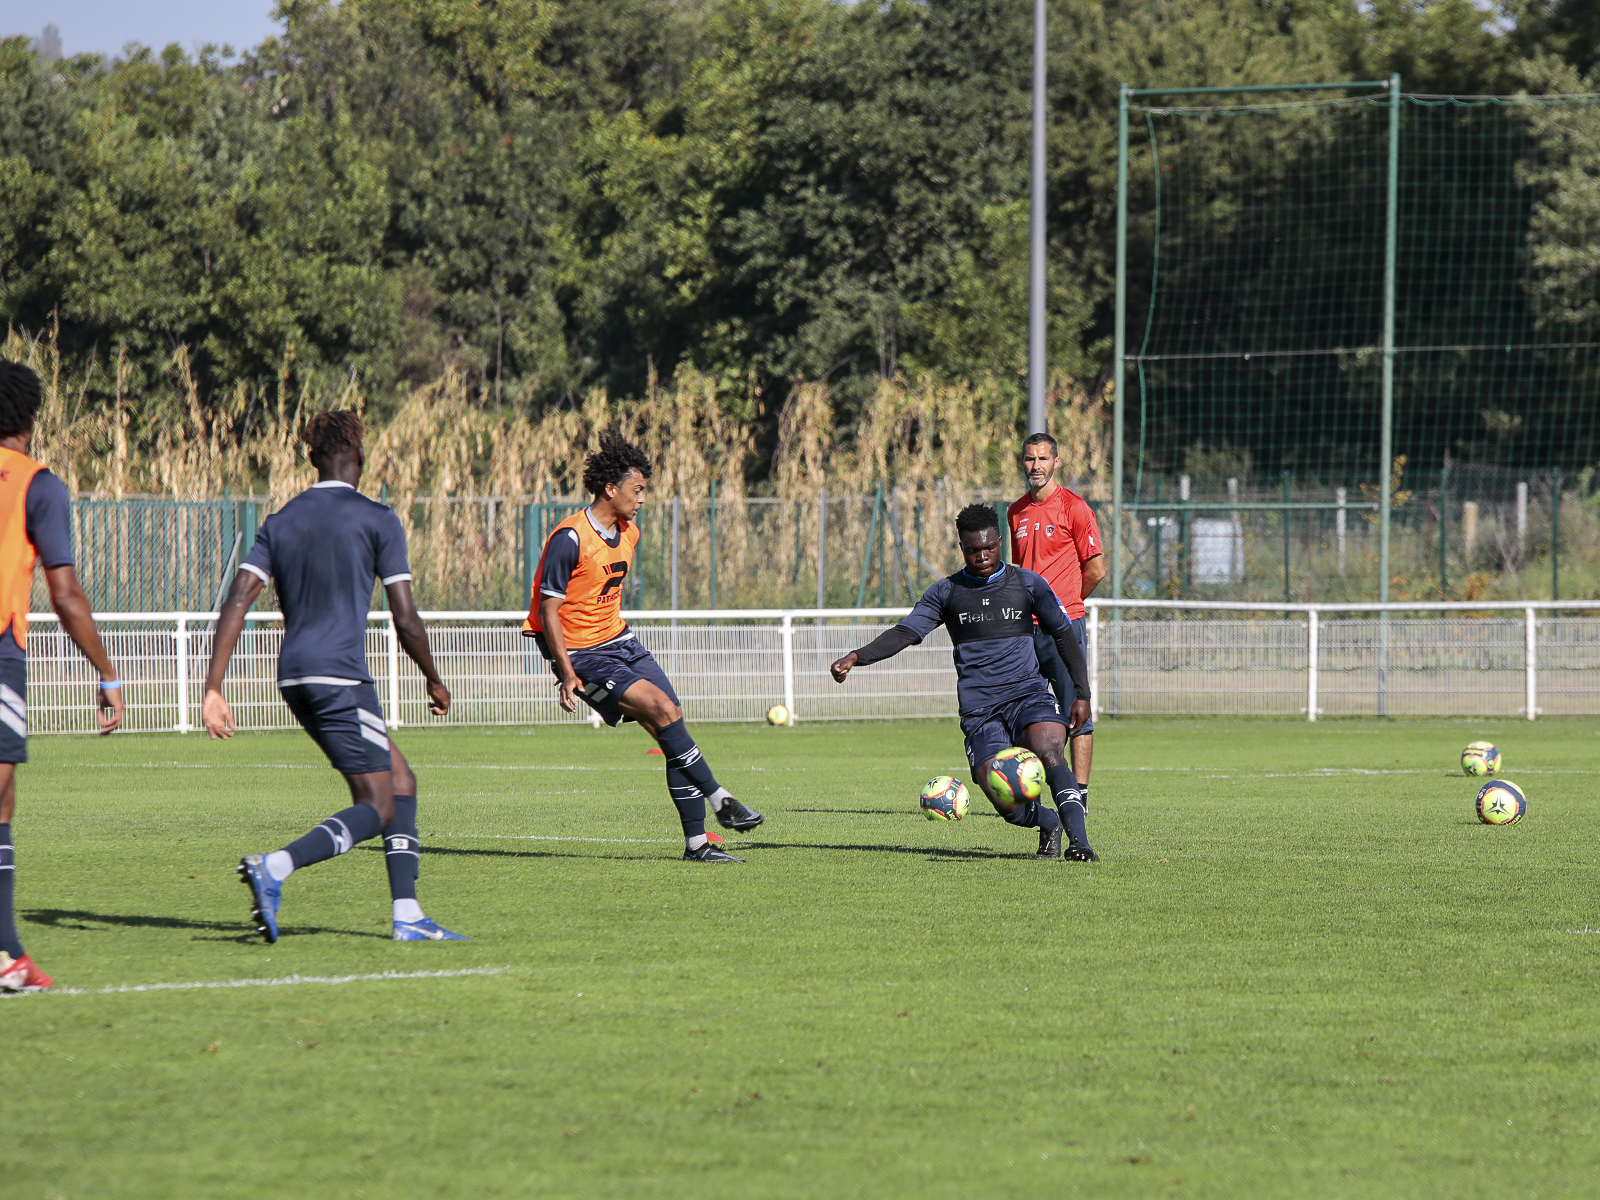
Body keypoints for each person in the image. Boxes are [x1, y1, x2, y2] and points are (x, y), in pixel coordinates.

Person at [202, 411, 465, 943]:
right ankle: (275, 867)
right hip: (342, 678)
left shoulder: (281, 521)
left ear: (311, 458)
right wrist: (434, 678)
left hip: (294, 677)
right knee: (378, 804)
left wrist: (213, 687)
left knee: (400, 782)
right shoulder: (378, 519)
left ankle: (408, 914)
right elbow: (405, 618)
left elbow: (238, 598)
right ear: (360, 458)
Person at [523, 431, 762, 862]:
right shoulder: (570, 538)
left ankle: (697, 847)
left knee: (673, 728)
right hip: (581, 653)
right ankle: (721, 799)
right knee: (663, 712)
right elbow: (547, 610)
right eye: (637, 489)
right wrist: (567, 672)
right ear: (609, 489)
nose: (642, 499)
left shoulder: (629, 532)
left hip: (621, 641)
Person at [830, 503, 1098, 861]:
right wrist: (856, 656)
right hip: (980, 710)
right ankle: (1048, 822)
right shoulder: (946, 592)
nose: (982, 556)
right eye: (973, 550)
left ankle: (1080, 843)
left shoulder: (1027, 584)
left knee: (1051, 752)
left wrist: (1082, 693)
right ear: (961, 547)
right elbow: (906, 632)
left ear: (1000, 542)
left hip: (1028, 694)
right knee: (1004, 800)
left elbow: (1064, 635)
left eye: (989, 548)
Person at [0, 361, 123, 993]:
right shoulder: (36, 483)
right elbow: (66, 594)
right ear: (30, 415)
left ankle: (7, 951)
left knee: (3, 798)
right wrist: (107, 673)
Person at [1008, 433, 1104, 807]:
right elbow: (1020, 569)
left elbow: (1095, 570)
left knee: (1076, 710)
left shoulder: (1075, 508)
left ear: (1057, 462)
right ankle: (1026, 787)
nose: (1036, 466)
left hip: (1064, 628)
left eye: (1043, 458)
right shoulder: (1016, 511)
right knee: (1023, 709)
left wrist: (1065, 607)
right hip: (1025, 631)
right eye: (1030, 459)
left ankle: (1078, 795)